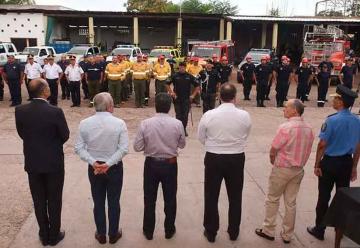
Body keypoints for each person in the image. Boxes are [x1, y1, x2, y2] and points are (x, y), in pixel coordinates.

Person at [15, 79, 69, 246]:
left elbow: (22, 133)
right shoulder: (55, 111)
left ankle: (44, 234)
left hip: (33, 162)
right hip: (53, 163)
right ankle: (54, 235)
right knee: (54, 199)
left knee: (39, 200)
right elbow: (64, 135)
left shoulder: (20, 110)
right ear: (45, 91)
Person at [198, 83, 252, 243]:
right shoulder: (244, 115)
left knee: (211, 195)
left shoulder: (209, 114)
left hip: (214, 157)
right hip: (236, 157)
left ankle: (211, 231)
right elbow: (246, 134)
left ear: (219, 96)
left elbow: (201, 137)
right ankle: (234, 231)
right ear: (235, 97)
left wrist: (214, 144)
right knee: (235, 196)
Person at [255, 99, 314, 244]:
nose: (284, 109)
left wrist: (272, 158)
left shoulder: (286, 127)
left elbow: (274, 147)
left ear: (295, 110)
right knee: (291, 202)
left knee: (273, 199)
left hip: (283, 168)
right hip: (298, 169)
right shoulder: (308, 128)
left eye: (286, 107)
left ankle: (268, 229)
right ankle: (287, 234)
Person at [307, 85, 360, 242]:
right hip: (346, 162)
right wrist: (354, 167)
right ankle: (341, 229)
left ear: (341, 101)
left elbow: (322, 144)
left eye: (335, 98)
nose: (333, 101)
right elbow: (358, 146)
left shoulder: (332, 120)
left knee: (324, 197)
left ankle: (319, 229)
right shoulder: (357, 121)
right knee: (343, 198)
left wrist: (317, 164)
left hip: (330, 163)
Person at [75, 92, 128, 245]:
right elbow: (123, 149)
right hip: (114, 167)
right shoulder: (119, 123)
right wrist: (108, 164)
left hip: (95, 168)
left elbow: (79, 148)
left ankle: (101, 234)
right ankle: (113, 234)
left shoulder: (84, 123)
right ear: (109, 106)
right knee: (113, 201)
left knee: (98, 201)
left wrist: (94, 163)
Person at [133, 93, 186, 241]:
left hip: (151, 164)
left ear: (156, 105)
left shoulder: (145, 123)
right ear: (169, 107)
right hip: (170, 164)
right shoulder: (177, 124)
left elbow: (137, 147)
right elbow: (182, 144)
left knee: (149, 199)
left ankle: (148, 231)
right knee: (170, 198)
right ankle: (169, 230)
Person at [167, 62, 200, 136]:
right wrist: (172, 93)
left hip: (186, 99)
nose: (181, 68)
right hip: (177, 99)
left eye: (183, 67)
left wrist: (193, 95)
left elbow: (197, 85)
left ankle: (183, 129)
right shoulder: (175, 76)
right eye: (180, 67)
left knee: (185, 116)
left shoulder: (189, 76)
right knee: (178, 115)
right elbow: (167, 83)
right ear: (179, 67)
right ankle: (178, 130)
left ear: (185, 68)